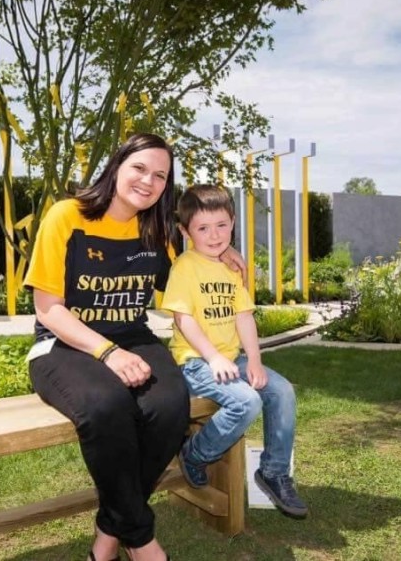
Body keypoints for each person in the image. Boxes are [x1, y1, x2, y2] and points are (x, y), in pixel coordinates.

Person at [26, 134, 226, 561]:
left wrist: (222, 255)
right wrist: (108, 354)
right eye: (139, 168)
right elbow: (48, 310)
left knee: (171, 406)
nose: (148, 181)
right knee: (105, 407)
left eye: (160, 175)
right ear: (117, 166)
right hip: (63, 343)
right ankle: (141, 539)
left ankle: (108, 533)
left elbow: (185, 281)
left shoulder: (158, 230)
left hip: (133, 336)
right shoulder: (67, 216)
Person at [161, 184, 309, 519]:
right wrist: (213, 357)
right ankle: (195, 454)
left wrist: (254, 360)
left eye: (222, 225)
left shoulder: (231, 269)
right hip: (196, 362)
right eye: (202, 228)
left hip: (232, 359)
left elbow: (244, 317)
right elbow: (183, 318)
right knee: (247, 401)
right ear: (185, 231)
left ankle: (273, 472)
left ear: (232, 223)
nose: (214, 236)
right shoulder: (185, 267)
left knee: (281, 391)